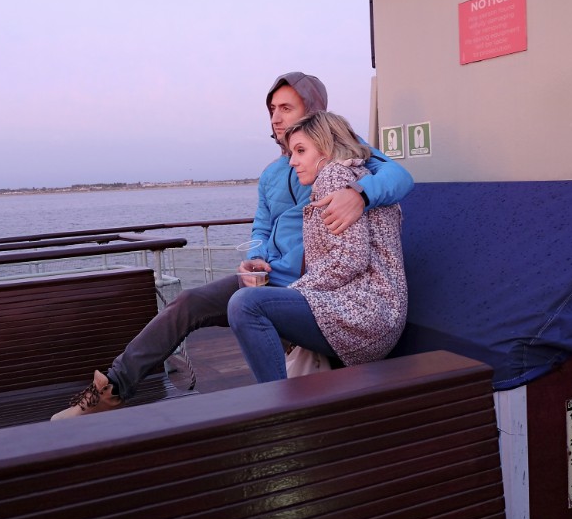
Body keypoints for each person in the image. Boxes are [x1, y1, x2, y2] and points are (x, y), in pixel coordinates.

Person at [50, 71, 413, 420]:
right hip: (273, 278)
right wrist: (255, 258)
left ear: (314, 111)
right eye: (272, 109)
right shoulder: (273, 172)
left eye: (286, 108)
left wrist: (360, 196)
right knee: (189, 302)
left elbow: (401, 176)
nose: (275, 117)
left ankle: (275, 410)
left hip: (315, 286)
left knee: (250, 308)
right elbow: (261, 226)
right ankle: (113, 387)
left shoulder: (341, 156)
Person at [228, 111, 408, 382]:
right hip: (376, 314)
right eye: (291, 152)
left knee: (246, 305)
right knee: (256, 302)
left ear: (327, 147)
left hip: (365, 315)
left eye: (300, 151)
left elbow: (350, 259)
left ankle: (274, 410)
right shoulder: (356, 177)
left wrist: (293, 292)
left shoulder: (334, 176)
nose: (293, 161)